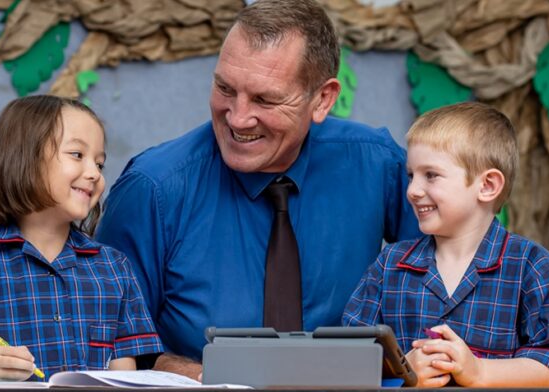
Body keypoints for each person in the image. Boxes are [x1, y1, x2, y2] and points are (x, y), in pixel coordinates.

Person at [95, 0, 420, 378]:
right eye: (225, 88)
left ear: (323, 99)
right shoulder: (152, 189)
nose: (238, 117)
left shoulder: (378, 163)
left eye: (265, 99)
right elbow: (102, 337)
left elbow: (450, 273)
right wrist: (190, 373)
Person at [0, 95, 163, 382]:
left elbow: (124, 377)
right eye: (77, 155)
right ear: (25, 158)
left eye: (100, 164)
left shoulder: (115, 269)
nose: (94, 174)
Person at [343, 102, 549, 387]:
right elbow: (350, 362)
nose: (412, 190)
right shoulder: (389, 266)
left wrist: (480, 372)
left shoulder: (537, 270)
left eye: (430, 175)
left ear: (487, 186)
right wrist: (403, 373)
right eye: (411, 175)